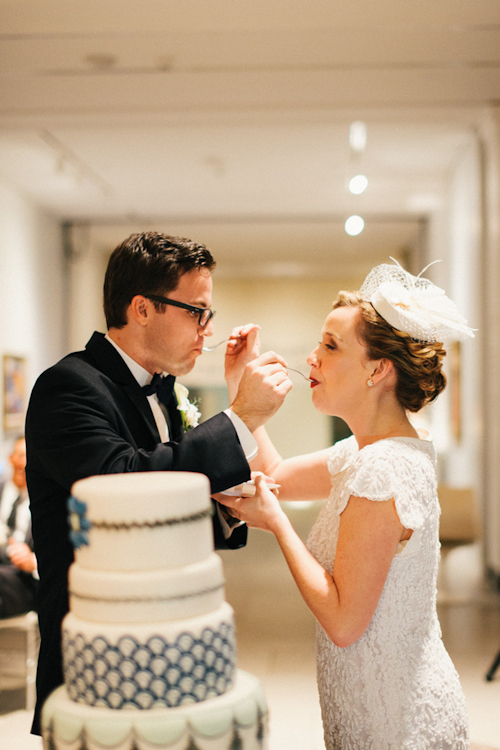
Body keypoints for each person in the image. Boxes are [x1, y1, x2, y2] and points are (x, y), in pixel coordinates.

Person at [25, 231, 292, 734]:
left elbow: (173, 491)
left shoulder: (166, 392)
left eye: (208, 314)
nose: (206, 331)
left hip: (172, 637)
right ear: (142, 309)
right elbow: (123, 487)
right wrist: (238, 417)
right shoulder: (68, 387)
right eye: (196, 311)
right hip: (99, 648)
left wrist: (226, 505)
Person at [217, 261, 472, 748]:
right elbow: (277, 477)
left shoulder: (382, 468)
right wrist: (238, 386)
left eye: (330, 347)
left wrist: (277, 524)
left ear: (378, 370)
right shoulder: (367, 451)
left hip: (397, 721)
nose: (311, 358)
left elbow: (343, 621)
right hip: (376, 702)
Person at [0, 435, 37, 618]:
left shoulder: (41, 502)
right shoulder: (2, 491)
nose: (23, 463)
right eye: (20, 456)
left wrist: (32, 561)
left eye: (28, 457)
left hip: (24, 582)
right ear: (10, 458)